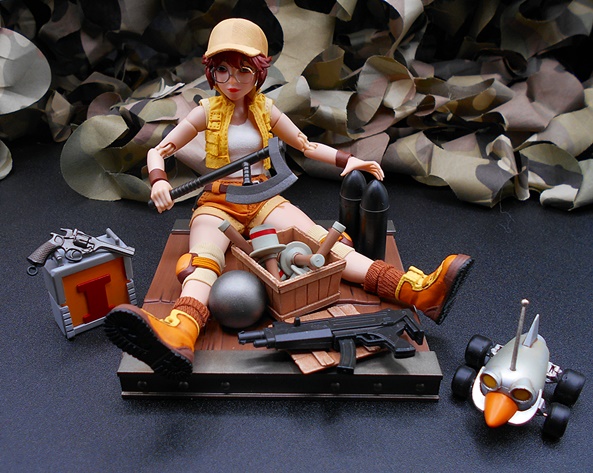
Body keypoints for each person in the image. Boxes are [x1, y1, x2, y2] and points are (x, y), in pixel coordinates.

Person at [105, 18, 473, 379]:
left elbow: (305, 145)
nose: (232, 81)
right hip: (217, 202)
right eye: (222, 70)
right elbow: (160, 149)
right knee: (203, 261)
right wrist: (158, 180)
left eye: (243, 71)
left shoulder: (266, 110)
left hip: (263, 197)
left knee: (323, 243)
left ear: (258, 72)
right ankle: (179, 333)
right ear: (211, 72)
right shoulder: (205, 111)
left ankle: (415, 291)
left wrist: (350, 159)